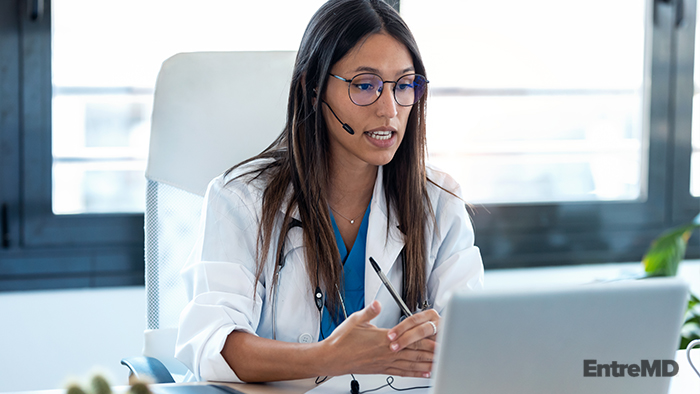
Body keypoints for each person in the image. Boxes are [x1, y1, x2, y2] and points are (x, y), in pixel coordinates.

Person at [175, 0, 483, 383]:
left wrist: (452, 342)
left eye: (404, 86)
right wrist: (329, 357)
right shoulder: (241, 200)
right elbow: (211, 344)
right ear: (313, 88)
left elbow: (474, 338)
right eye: (365, 85)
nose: (389, 109)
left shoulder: (437, 201)